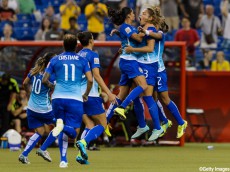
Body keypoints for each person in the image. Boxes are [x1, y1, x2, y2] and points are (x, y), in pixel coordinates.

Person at [37, 34, 93, 168]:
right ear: (76, 46)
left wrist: (52, 86)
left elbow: (45, 79)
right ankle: (59, 154)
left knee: (59, 126)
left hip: (57, 98)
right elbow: (90, 80)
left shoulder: (55, 59)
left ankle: (63, 160)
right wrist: (85, 94)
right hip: (74, 99)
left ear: (63, 45)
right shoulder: (82, 60)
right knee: (74, 133)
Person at [137, 14, 188, 139]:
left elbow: (157, 35)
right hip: (151, 69)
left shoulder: (158, 33)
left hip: (159, 70)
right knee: (152, 98)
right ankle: (165, 121)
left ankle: (181, 122)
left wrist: (146, 32)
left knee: (165, 98)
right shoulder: (150, 32)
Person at [76, 31, 117, 164]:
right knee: (103, 124)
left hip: (77, 96)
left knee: (89, 124)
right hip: (91, 95)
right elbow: (97, 76)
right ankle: (84, 142)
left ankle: (80, 155)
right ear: (91, 41)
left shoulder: (77, 55)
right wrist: (109, 94)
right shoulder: (93, 55)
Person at [124, 7, 164, 141]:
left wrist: (132, 50)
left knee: (147, 96)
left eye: (144, 14)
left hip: (149, 65)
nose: (141, 15)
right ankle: (142, 125)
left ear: (150, 18)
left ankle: (157, 127)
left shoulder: (151, 29)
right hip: (142, 63)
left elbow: (150, 48)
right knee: (137, 95)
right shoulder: (142, 29)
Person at [18, 53, 56, 164]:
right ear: (50, 62)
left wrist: (29, 94)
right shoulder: (51, 75)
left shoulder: (34, 71)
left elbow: (25, 83)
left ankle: (24, 155)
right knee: (59, 126)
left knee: (39, 132)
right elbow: (55, 88)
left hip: (31, 108)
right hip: (44, 109)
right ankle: (43, 149)